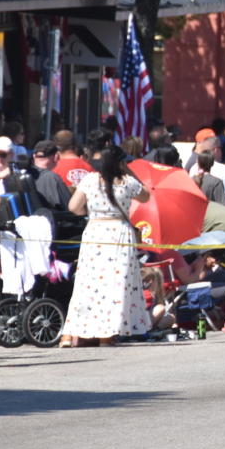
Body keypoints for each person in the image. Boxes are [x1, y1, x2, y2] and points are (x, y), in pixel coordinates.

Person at [60, 144, 151, 347]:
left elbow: (73, 207)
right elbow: (146, 195)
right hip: (118, 233)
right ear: (120, 163)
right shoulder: (127, 182)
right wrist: (128, 170)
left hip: (95, 232)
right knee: (115, 285)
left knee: (87, 284)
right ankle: (105, 333)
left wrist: (92, 212)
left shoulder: (90, 180)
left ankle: (73, 333)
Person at [28, 140, 72, 210]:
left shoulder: (25, 175)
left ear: (34, 156)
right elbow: (69, 207)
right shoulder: (52, 178)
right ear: (56, 157)